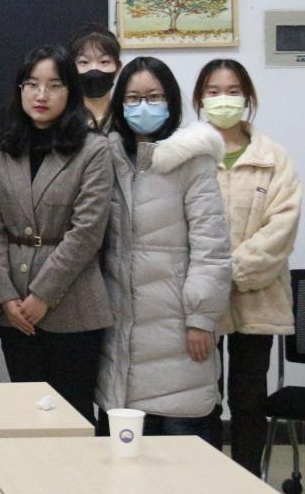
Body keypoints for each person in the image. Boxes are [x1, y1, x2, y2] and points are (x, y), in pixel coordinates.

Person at [96, 56, 232, 445]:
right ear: (119, 103)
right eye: (133, 97)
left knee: (183, 458)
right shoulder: (106, 157)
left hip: (179, 331)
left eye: (154, 97)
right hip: (119, 332)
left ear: (171, 101)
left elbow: (212, 247)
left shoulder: (193, 160)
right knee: (122, 461)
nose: (144, 106)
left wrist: (201, 318)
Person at [0, 44, 113, 422]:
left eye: (54, 85)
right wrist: (6, 295)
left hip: (73, 303)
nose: (41, 95)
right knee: (29, 415)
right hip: (14, 307)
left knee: (73, 414)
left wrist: (42, 295)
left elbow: (87, 231)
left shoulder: (93, 149)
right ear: (20, 89)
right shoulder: (2, 147)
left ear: (70, 91)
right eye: (32, 84)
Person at [193, 58, 301, 473]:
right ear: (200, 99)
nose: (224, 99)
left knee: (249, 400)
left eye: (233, 91)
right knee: (203, 399)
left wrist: (228, 272)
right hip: (201, 303)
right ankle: (207, 479)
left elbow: (281, 228)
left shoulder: (273, 157)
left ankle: (248, 479)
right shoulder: (188, 155)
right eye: (214, 91)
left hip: (258, 299)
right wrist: (209, 281)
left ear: (248, 97)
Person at [67, 25, 121, 131]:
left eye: (104, 61)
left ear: (118, 68)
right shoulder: (61, 120)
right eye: (84, 62)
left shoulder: (126, 118)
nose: (94, 69)